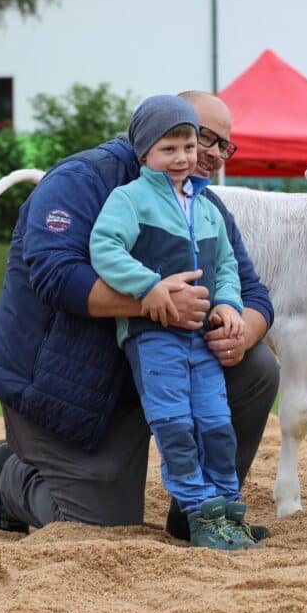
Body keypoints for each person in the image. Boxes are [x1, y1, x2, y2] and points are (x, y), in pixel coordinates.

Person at [0, 91, 278, 543]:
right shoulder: (83, 180)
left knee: (257, 366)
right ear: (155, 131)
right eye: (204, 137)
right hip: (64, 383)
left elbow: (253, 290)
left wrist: (240, 328)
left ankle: (200, 510)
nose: (212, 154)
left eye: (222, 146)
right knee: (95, 527)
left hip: (152, 369)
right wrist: (151, 300)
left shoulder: (203, 205)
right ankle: (9, 472)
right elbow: (55, 273)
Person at [88, 95, 259, 549]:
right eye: (169, 149)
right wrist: (149, 288)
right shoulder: (129, 199)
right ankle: (198, 512)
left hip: (201, 339)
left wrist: (228, 306)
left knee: (216, 423)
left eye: (187, 147)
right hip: (153, 338)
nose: (182, 158)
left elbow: (226, 266)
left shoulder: (207, 207)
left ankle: (227, 508)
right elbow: (104, 248)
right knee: (175, 425)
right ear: (144, 153)